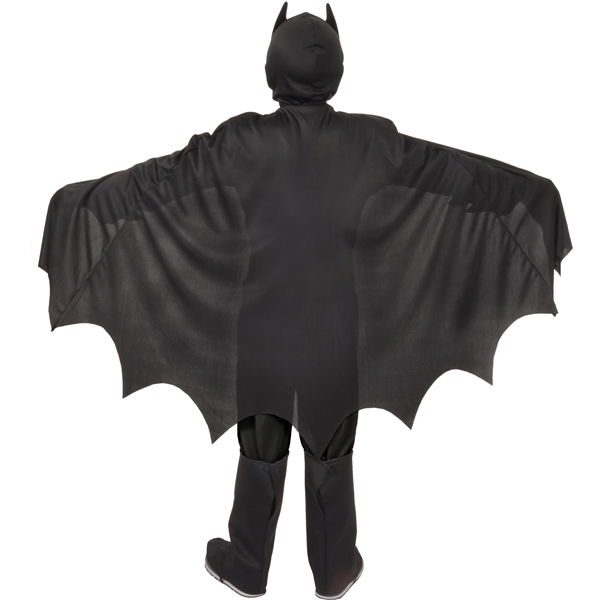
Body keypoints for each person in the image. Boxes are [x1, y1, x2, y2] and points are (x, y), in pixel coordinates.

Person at [39, 3, 571, 600]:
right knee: (332, 451)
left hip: (261, 335)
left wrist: (76, 204)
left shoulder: (240, 140)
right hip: (337, 338)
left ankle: (247, 565)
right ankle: (334, 567)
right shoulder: (373, 142)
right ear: (337, 70)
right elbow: (458, 175)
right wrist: (535, 196)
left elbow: (156, 183)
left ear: (273, 67)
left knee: (260, 452)